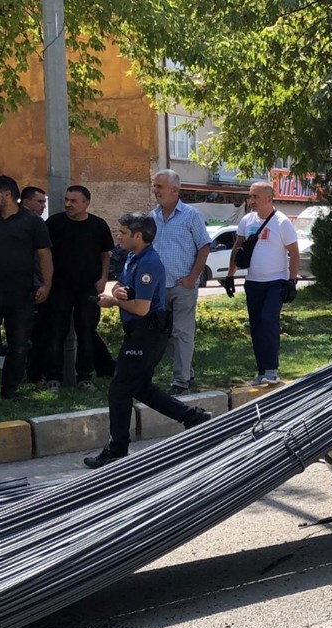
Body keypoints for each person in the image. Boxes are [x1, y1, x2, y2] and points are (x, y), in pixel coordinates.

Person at [84, 213, 211, 468]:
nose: (118, 236)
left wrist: (114, 301)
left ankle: (117, 448)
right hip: (139, 333)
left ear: (138, 236)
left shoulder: (150, 262)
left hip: (148, 332)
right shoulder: (133, 257)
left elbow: (141, 308)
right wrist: (119, 290)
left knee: (119, 389)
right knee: (140, 387)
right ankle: (192, 417)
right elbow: (127, 287)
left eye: (122, 232)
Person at [227, 182, 299, 386]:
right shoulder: (247, 220)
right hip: (253, 282)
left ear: (269, 199)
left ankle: (272, 369)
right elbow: (238, 247)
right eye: (250, 196)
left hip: (275, 282)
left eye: (255, 197)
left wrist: (291, 282)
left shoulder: (282, 222)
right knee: (257, 326)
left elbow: (294, 252)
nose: (251, 201)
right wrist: (230, 276)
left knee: (268, 321)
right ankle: (262, 371)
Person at [41, 185, 113, 391]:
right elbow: (44, 254)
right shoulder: (54, 223)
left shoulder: (98, 225)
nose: (68, 204)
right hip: (59, 288)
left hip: (88, 288)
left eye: (73, 201)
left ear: (86, 203)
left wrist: (103, 279)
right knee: (56, 333)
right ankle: (53, 378)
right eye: (66, 200)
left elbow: (105, 255)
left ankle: (84, 377)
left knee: (87, 333)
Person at [150, 169, 211, 395]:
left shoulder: (190, 215)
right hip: (157, 287)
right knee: (163, 334)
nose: (155, 191)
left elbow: (204, 247)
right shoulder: (151, 217)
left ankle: (181, 381)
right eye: (155, 186)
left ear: (175, 191)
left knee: (182, 331)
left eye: (160, 187)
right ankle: (187, 371)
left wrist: (193, 278)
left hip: (182, 284)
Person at [0, 176, 52, 400]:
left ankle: (10, 390)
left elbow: (44, 255)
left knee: (18, 345)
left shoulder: (32, 222)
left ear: (5, 194)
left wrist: (46, 285)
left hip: (21, 295)